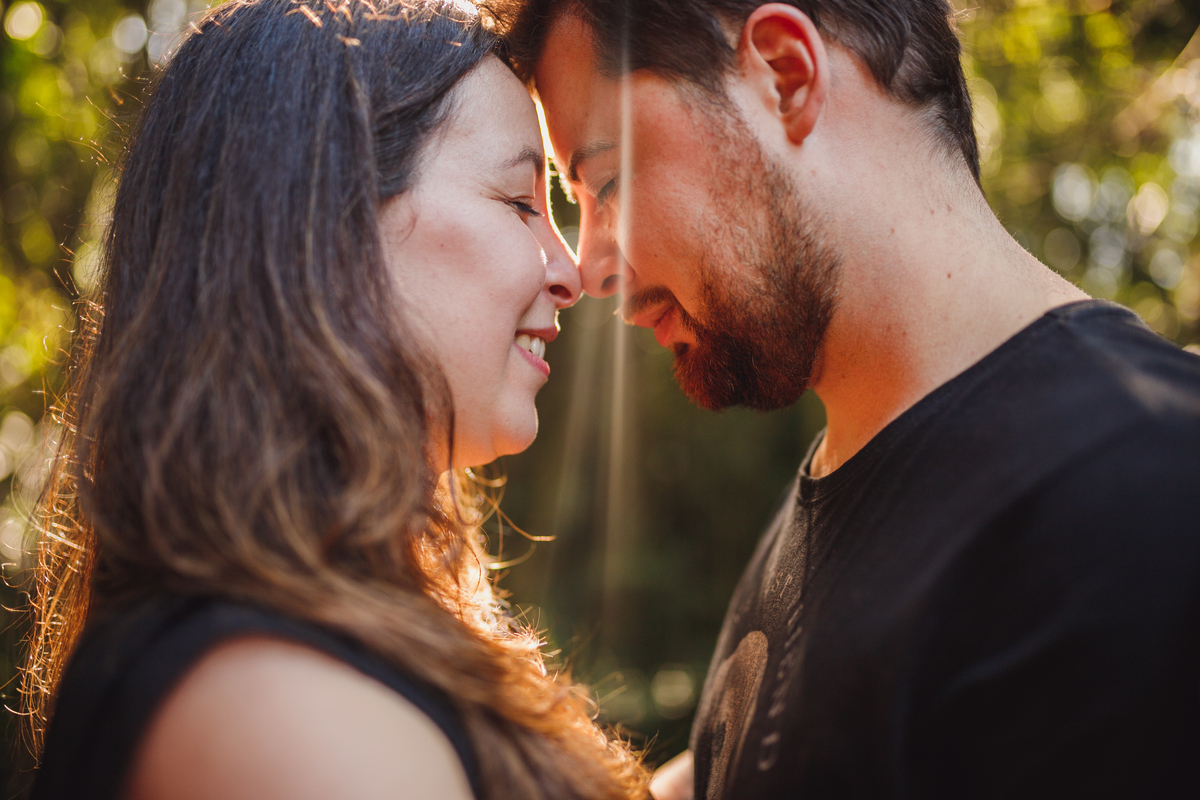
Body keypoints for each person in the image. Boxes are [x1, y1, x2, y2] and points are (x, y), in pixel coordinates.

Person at [495, 0, 1200, 797]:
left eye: (609, 181)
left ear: (787, 76)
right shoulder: (850, 478)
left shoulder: (1145, 497)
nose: (591, 271)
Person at [20, 2, 650, 799]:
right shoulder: (279, 717)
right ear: (329, 226)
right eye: (521, 203)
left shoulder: (282, 651)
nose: (571, 270)